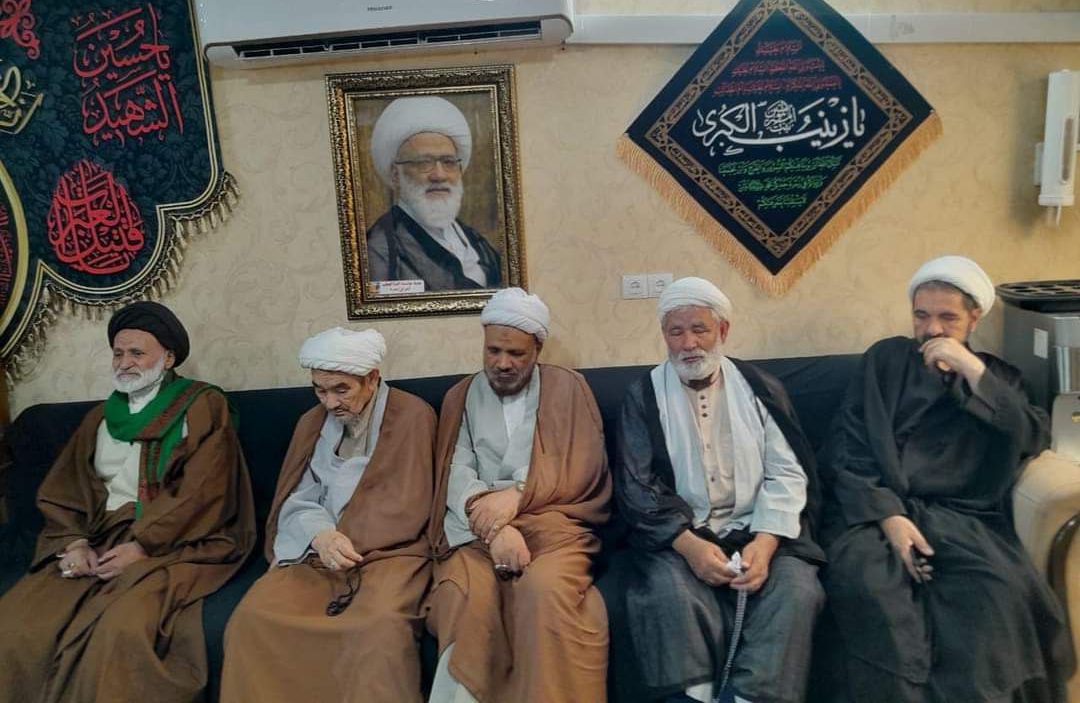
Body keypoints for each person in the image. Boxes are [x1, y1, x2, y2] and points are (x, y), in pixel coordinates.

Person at [822, 255, 1074, 703]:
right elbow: (849, 446)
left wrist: (973, 372)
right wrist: (890, 517)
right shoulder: (885, 360)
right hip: (872, 515)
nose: (932, 329)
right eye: (921, 316)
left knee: (995, 593)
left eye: (947, 318)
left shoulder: (999, 378)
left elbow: (1032, 435)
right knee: (874, 592)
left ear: (974, 318)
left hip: (963, 521)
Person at [0, 301, 255, 703]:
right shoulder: (101, 416)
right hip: (99, 535)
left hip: (175, 540)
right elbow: (67, 486)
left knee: (120, 630)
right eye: (118, 353)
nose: (125, 363)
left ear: (168, 357)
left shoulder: (202, 406)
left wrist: (143, 546)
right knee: (18, 625)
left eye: (137, 353)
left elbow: (205, 490)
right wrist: (73, 543)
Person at [601, 277, 825, 703]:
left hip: (759, 527)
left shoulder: (761, 387)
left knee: (798, 589)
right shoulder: (643, 396)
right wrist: (690, 547)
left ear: (722, 330)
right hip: (678, 536)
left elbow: (789, 471)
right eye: (676, 332)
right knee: (667, 594)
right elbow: (637, 486)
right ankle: (692, 696)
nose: (688, 344)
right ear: (664, 335)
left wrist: (766, 543)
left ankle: (750, 697)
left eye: (699, 329)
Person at [221, 327, 436, 702]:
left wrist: (346, 537)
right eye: (320, 390)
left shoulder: (413, 416)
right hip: (315, 551)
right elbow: (298, 495)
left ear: (372, 378)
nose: (330, 402)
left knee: (380, 627)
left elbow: (411, 502)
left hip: (389, 555)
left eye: (341, 390)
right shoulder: (311, 422)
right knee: (251, 618)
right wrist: (320, 535)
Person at [424, 287, 611, 703]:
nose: (502, 363)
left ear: (538, 350)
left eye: (516, 354)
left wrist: (519, 496)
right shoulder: (460, 396)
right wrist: (493, 526)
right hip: (474, 528)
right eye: (493, 351)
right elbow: (454, 470)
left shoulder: (569, 388)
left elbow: (585, 466)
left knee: (543, 590)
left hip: (554, 524)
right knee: (464, 597)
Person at [365, 96, 502, 290]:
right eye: (423, 163)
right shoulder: (379, 250)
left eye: (448, 162)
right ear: (396, 175)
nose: (439, 175)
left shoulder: (473, 240)